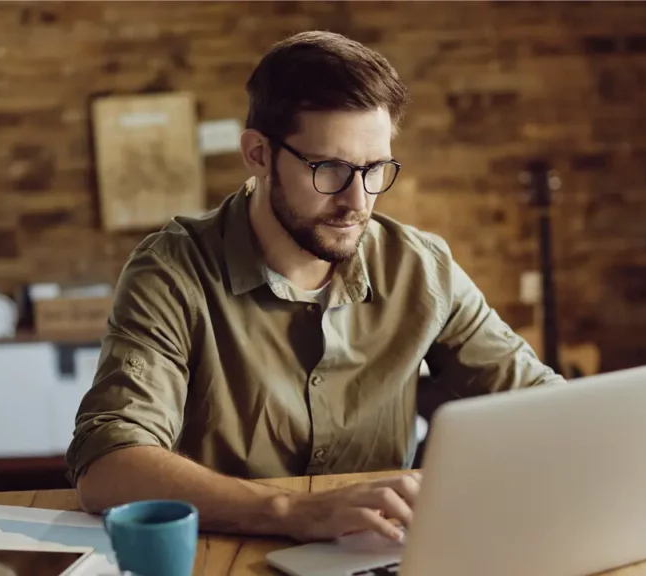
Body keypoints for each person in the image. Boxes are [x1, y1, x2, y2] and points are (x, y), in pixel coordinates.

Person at [66, 30, 566, 543]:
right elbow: (109, 466)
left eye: (375, 169)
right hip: (225, 554)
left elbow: (549, 407)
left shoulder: (422, 268)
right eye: (330, 169)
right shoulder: (172, 271)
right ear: (258, 154)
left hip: (376, 553)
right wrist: (293, 511)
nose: (358, 200)